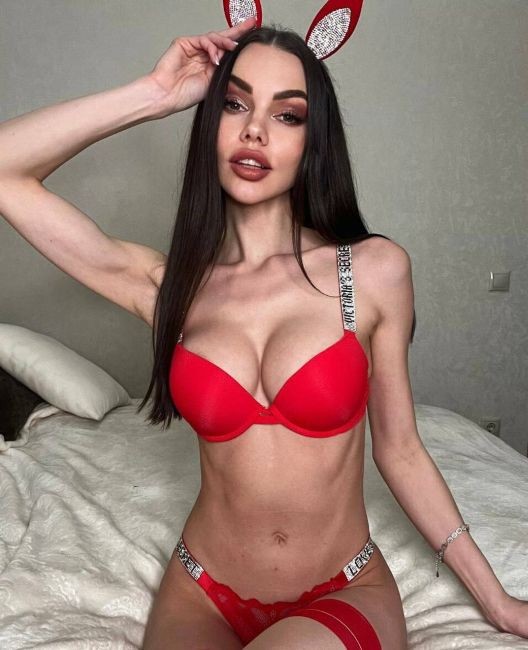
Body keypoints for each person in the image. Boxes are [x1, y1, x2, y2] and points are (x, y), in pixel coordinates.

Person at [0, 13, 526, 650]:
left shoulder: (371, 272)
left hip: (341, 589)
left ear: (313, 142)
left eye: (287, 114)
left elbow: (401, 450)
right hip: (201, 591)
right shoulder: (170, 288)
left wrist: (498, 602)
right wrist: (155, 95)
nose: (255, 129)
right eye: (234, 104)